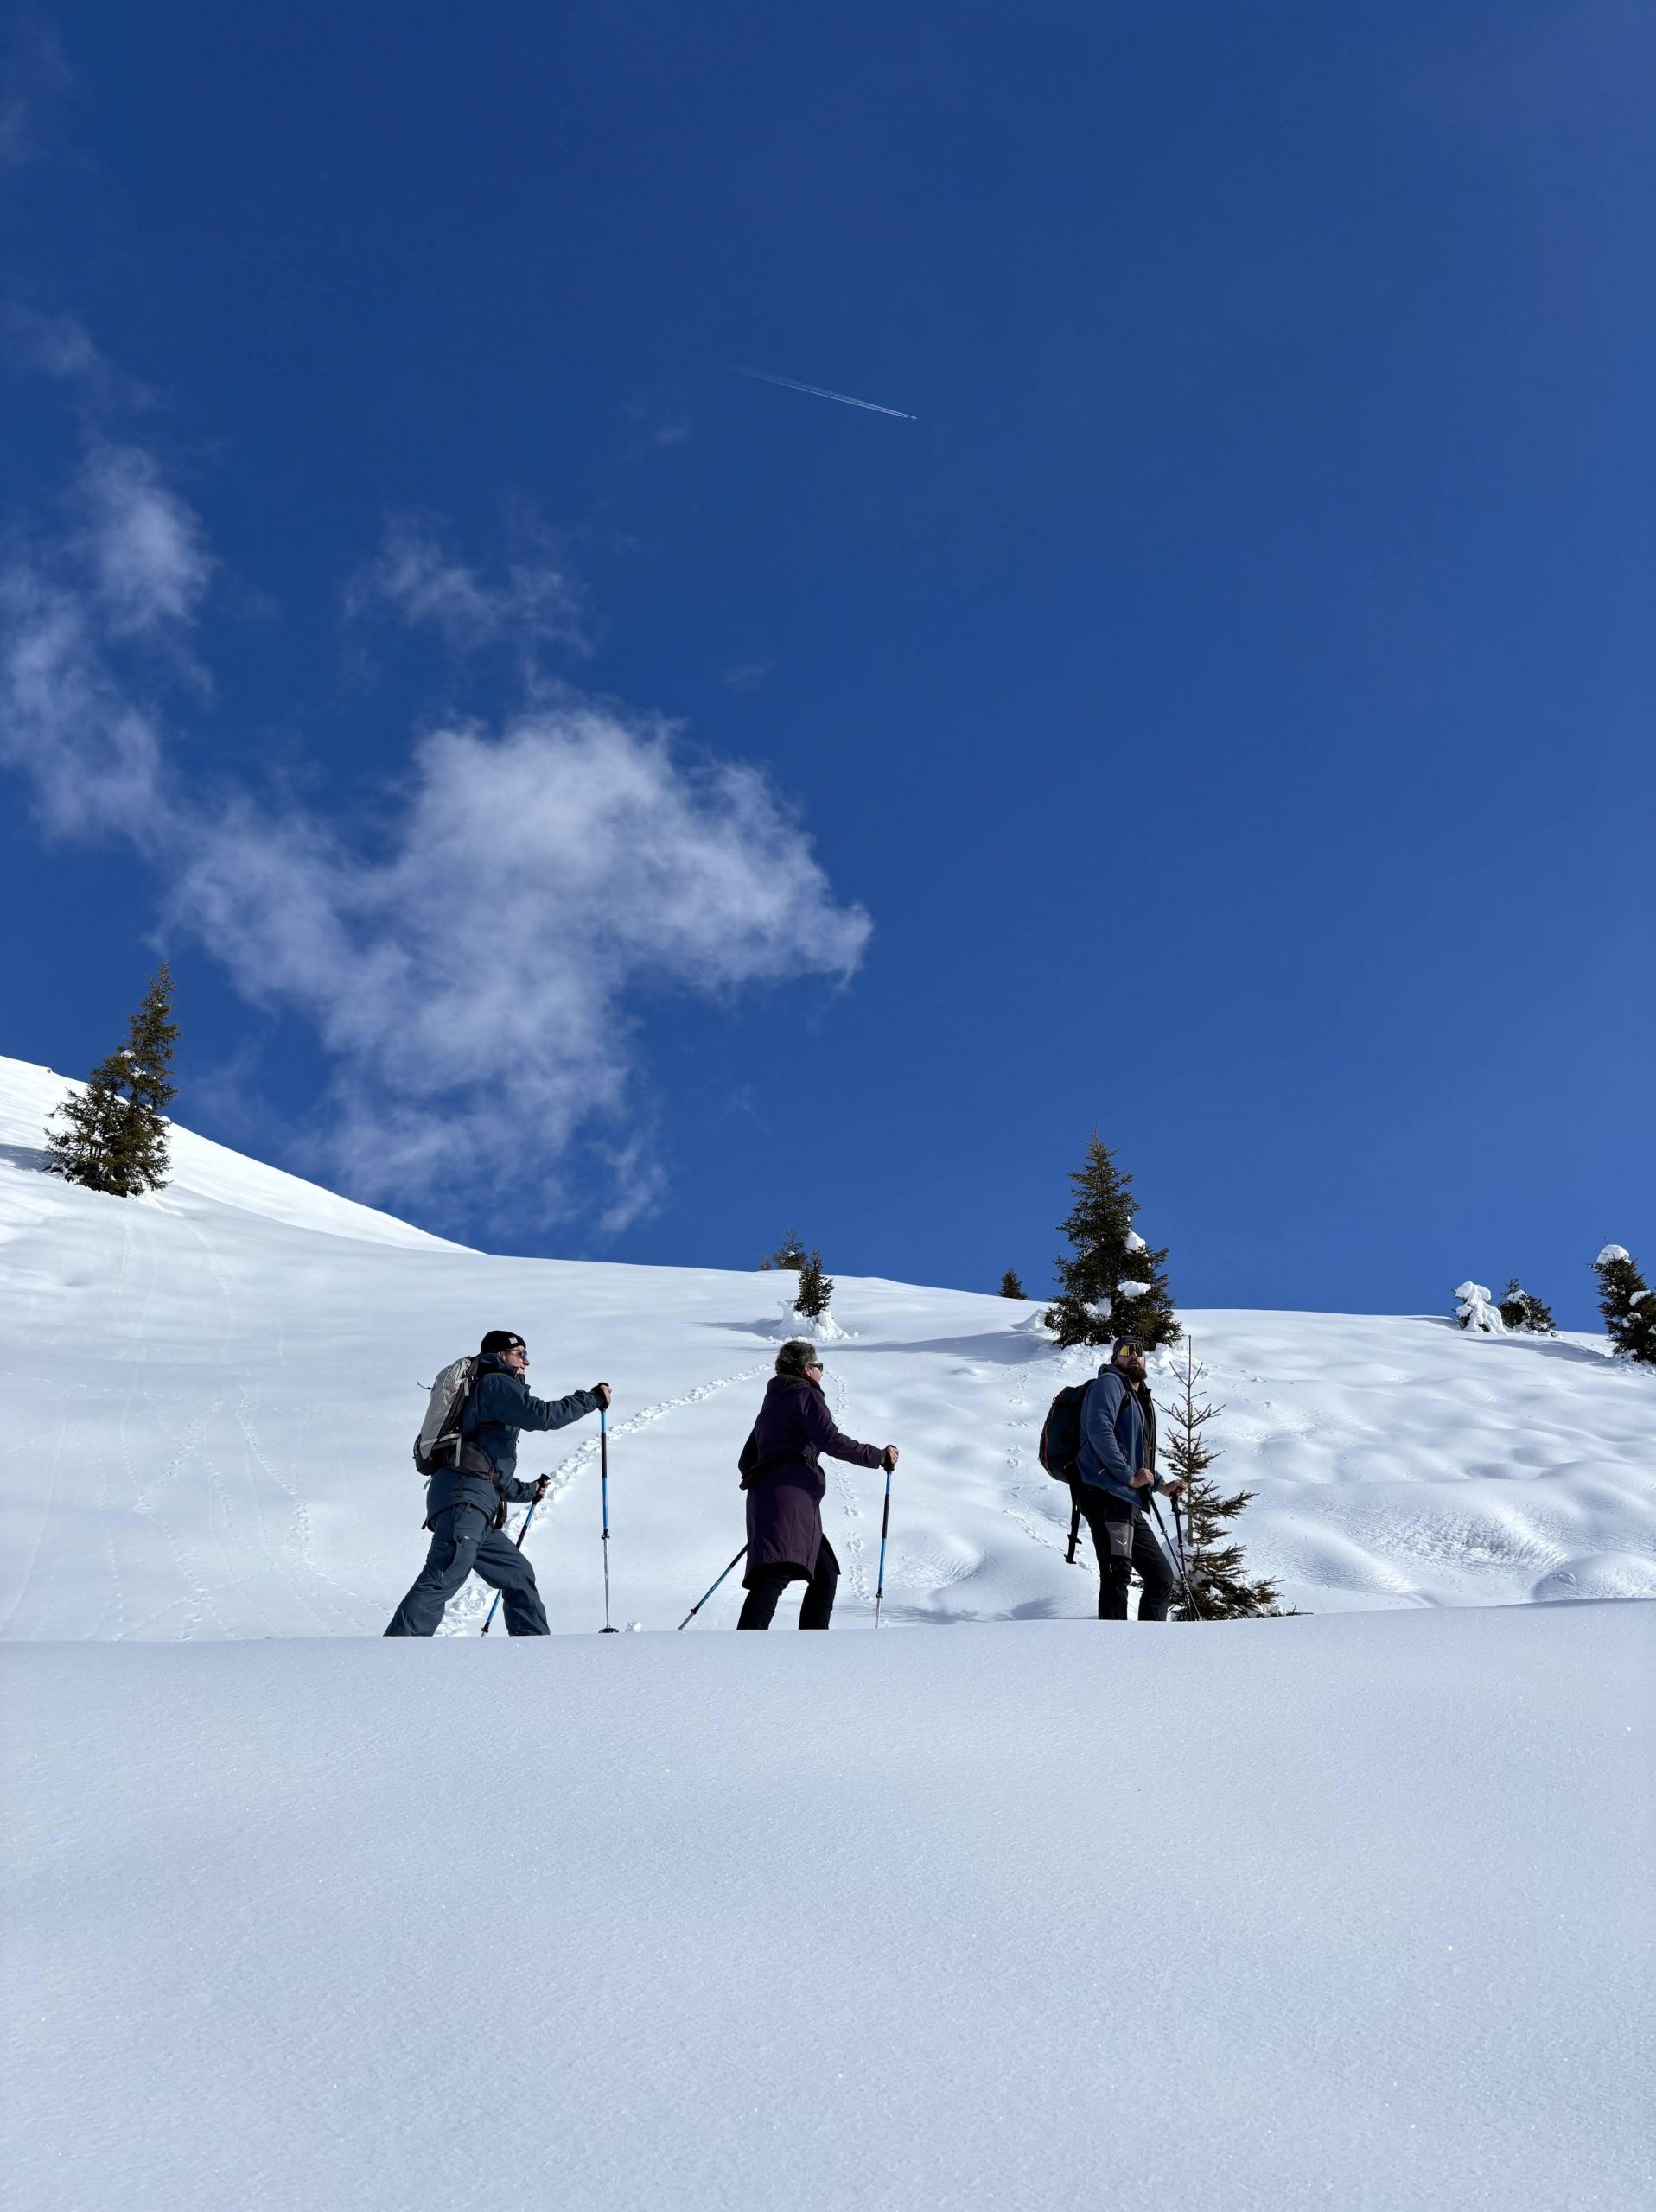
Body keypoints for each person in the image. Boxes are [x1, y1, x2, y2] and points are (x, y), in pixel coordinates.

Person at [385, 1331, 611, 1637]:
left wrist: (529, 1490)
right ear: (500, 1355)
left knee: (518, 1575)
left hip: (475, 1504)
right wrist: (592, 1398)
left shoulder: (491, 1390)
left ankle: (534, 1651)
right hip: (464, 1502)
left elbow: (490, 1474)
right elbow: (541, 1416)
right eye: (520, 1353)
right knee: (445, 1573)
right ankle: (395, 1656)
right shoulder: (494, 1383)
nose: (526, 1361)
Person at [736, 1339, 898, 1630]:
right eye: (818, 1366)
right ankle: (746, 1648)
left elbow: (746, 1460)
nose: (821, 1371)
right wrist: (878, 1456)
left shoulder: (771, 1405)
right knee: (776, 1572)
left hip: (772, 1497)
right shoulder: (804, 1395)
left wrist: (768, 1477)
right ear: (805, 1369)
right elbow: (830, 1439)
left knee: (824, 1572)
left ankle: (811, 1646)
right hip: (791, 1496)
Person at [1072, 1334, 1185, 1622]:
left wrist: (1161, 1485)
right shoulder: (1109, 1383)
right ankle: (1114, 1653)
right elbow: (1099, 1431)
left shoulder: (1136, 1397)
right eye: (1125, 1350)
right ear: (1115, 1359)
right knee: (1116, 1575)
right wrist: (1127, 1476)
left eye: (1138, 1350)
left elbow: (1137, 1460)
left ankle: (1147, 1646)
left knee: (1161, 1577)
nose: (1133, 1355)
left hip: (1128, 1501)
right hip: (1106, 1493)